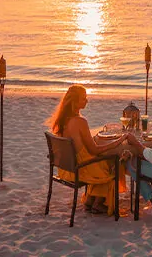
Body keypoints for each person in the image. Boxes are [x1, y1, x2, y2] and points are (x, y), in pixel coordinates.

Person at [47, 84, 128, 215]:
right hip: (80, 169)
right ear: (75, 102)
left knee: (102, 163)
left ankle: (90, 200)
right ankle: (99, 203)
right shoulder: (80, 121)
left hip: (65, 169)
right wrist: (118, 142)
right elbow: (94, 151)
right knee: (113, 164)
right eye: (83, 98)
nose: (86, 101)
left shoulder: (62, 120)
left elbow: (81, 143)